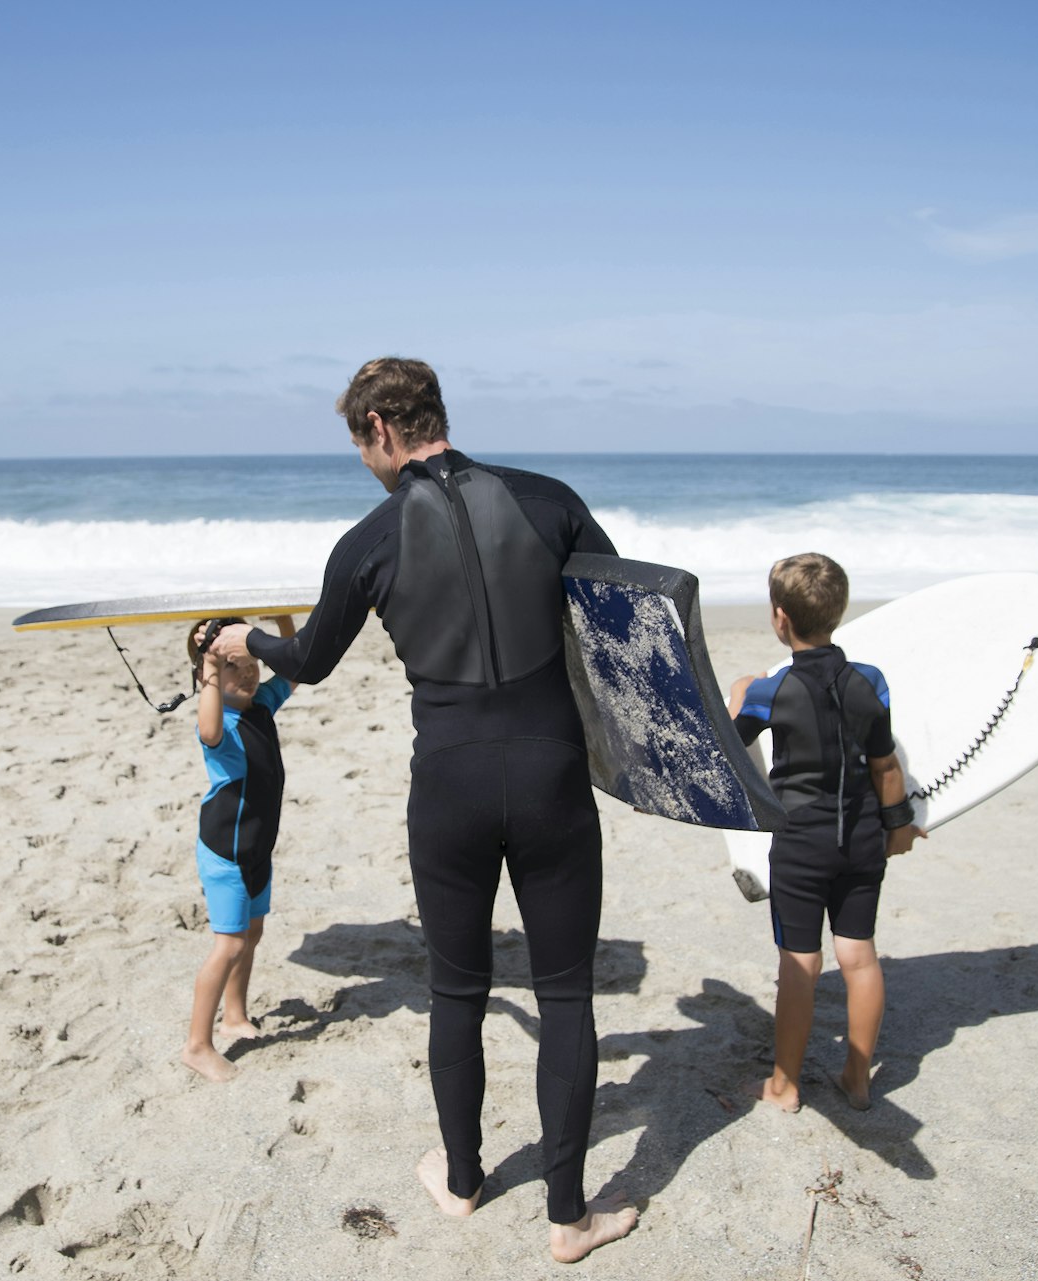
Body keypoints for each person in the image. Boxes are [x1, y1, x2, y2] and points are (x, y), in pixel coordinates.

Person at [206, 357, 637, 1263]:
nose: (362, 460)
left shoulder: (368, 541)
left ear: (381, 432)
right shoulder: (550, 499)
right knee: (564, 995)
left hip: (450, 784)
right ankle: (569, 1217)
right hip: (553, 772)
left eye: (358, 444)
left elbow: (313, 658)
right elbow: (625, 623)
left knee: (459, 989)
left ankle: (464, 1179)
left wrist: (243, 638)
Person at [724, 553, 925, 1113]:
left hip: (802, 848)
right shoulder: (871, 682)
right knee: (859, 956)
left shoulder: (771, 691)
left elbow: (730, 751)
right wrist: (899, 827)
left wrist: (741, 691)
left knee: (801, 963)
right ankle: (857, 1078)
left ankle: (784, 1086)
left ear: (779, 618)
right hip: (861, 839)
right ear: (838, 613)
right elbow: (886, 767)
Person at [180, 614, 297, 1084]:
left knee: (251, 935)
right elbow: (208, 731)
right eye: (234, 667)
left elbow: (296, 666)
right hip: (225, 853)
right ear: (210, 676)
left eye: (251, 663)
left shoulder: (262, 705)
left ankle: (234, 1016)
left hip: (257, 850)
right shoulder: (220, 722)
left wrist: (282, 620)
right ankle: (197, 1046)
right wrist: (209, 664)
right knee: (228, 944)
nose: (248, 673)